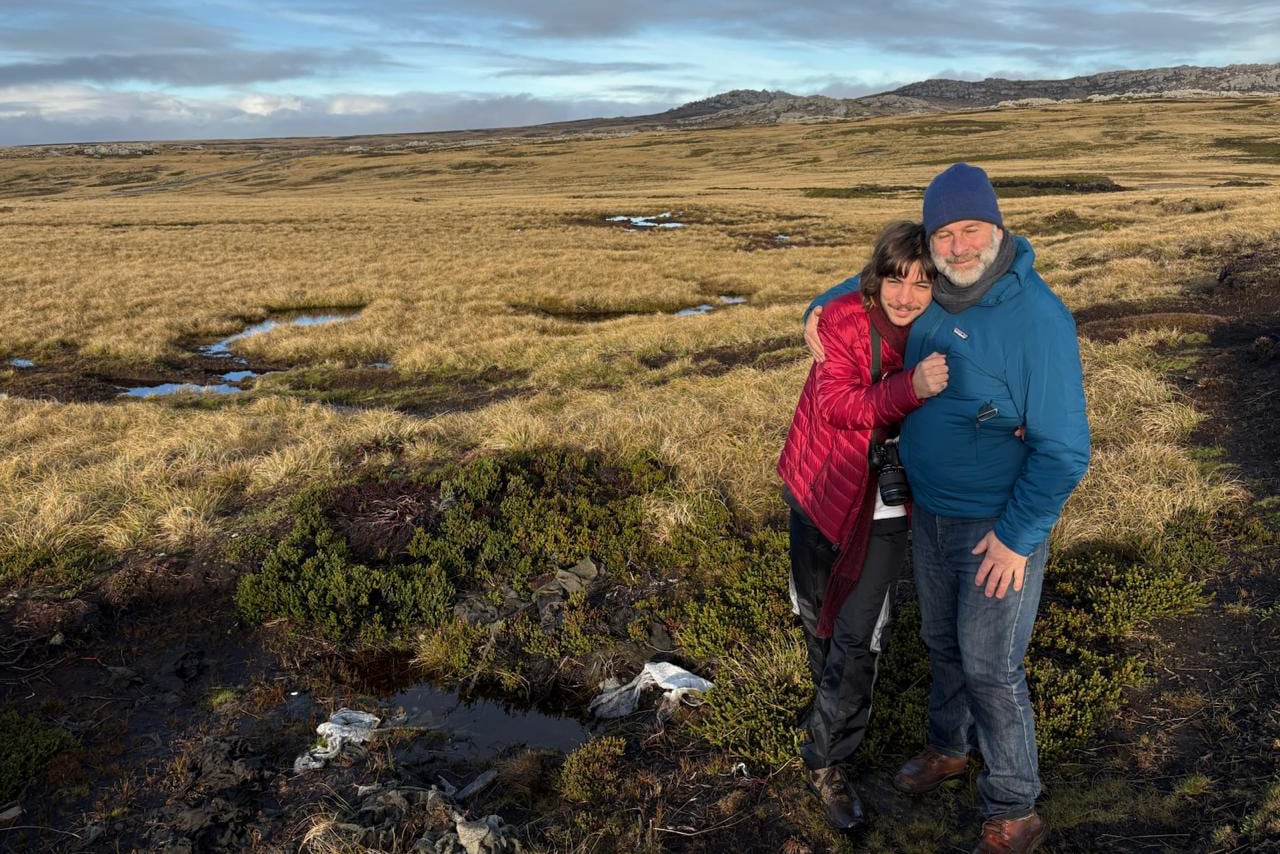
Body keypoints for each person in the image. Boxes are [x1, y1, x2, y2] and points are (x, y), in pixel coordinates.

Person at [805, 163, 1090, 854]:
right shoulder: (936, 290)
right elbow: (878, 280)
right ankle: (950, 747)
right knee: (942, 643)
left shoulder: (1038, 319)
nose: (958, 248)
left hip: (997, 525)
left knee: (992, 666)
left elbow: (1064, 451)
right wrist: (819, 303)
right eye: (944, 235)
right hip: (930, 510)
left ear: (998, 227)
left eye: (971, 230)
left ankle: (1015, 808)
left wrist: (1016, 538)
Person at [777, 221, 950, 831]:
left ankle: (827, 760)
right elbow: (836, 404)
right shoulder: (844, 317)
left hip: (885, 508)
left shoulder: (942, 330)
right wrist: (908, 388)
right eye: (895, 280)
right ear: (874, 280)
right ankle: (832, 715)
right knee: (816, 614)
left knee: (857, 633)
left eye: (923, 283)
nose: (906, 296)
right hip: (819, 490)